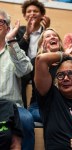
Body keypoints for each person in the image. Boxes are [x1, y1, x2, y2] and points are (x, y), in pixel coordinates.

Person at [0, 9, 34, 150]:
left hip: (13, 107)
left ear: (8, 28)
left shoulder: (14, 50)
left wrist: (11, 41)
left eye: (0, 21)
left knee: (26, 119)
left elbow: (26, 69)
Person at [15, 0, 50, 108]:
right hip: (23, 66)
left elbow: (50, 50)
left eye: (36, 11)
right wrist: (27, 34)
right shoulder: (19, 31)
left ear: (42, 15)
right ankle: (22, 108)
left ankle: (38, 107)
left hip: (39, 66)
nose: (32, 13)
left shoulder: (47, 32)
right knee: (21, 76)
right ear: (25, 16)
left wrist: (46, 30)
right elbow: (16, 52)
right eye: (29, 11)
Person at [28, 28, 64, 123]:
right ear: (41, 44)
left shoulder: (67, 62)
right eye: (48, 36)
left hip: (61, 104)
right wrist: (47, 59)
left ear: (59, 42)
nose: (52, 37)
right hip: (39, 106)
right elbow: (43, 91)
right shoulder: (36, 61)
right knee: (56, 116)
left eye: (55, 35)